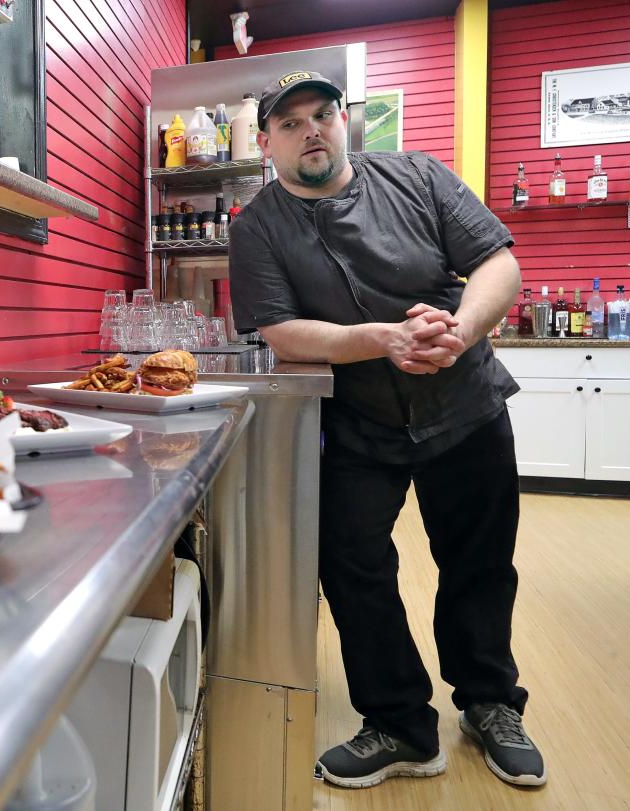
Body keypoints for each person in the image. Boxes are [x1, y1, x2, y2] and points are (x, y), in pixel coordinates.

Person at [227, 71, 546, 789]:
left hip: (464, 401)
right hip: (360, 417)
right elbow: (280, 331)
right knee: (352, 566)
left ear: (344, 122)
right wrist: (382, 339)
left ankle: (490, 702)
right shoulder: (259, 229)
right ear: (267, 143)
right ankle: (401, 722)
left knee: (479, 560)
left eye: (323, 114)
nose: (311, 129)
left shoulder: (418, 177)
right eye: (290, 122)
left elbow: (499, 263)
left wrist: (459, 331)